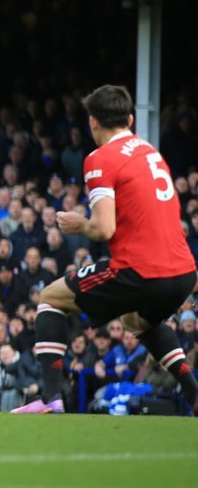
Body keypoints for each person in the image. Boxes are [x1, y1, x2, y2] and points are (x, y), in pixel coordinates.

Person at [13, 86, 198, 414]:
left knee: (50, 300)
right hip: (184, 272)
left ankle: (50, 397)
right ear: (129, 118)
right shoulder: (150, 152)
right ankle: (193, 392)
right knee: (136, 322)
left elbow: (103, 228)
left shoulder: (100, 159)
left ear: (93, 122)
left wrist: (78, 223)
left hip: (140, 271)